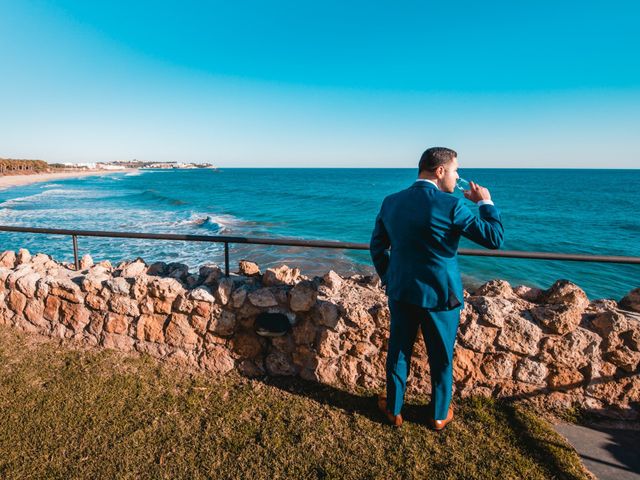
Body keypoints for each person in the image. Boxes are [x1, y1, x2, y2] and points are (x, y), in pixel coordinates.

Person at [369, 147, 504, 430]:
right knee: (441, 356)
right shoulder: (452, 205)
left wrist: (390, 277)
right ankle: (439, 414)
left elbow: (377, 247)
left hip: (402, 291)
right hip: (441, 295)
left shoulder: (391, 201)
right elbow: (493, 238)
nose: (458, 178)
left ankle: (394, 410)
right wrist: (486, 202)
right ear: (440, 171)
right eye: (456, 170)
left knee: (399, 351)